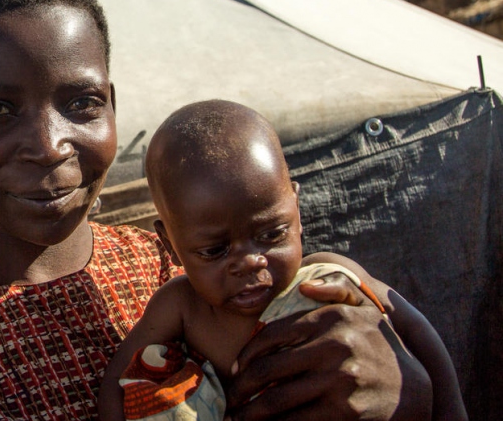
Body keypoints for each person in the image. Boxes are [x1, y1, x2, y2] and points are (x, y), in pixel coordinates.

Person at [0, 0, 434, 420]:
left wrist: (409, 387)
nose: (48, 145)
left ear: (113, 107)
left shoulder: (187, 264)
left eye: (81, 104)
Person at [97, 100, 467, 421]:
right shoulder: (180, 306)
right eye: (215, 251)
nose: (251, 261)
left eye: (273, 234)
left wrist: (451, 411)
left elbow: (415, 329)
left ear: (297, 208)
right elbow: (115, 384)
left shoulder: (329, 276)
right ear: (171, 244)